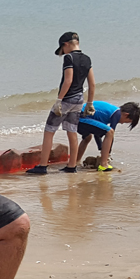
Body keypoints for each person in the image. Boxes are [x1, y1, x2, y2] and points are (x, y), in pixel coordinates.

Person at [27, 32, 95, 175]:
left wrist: (59, 100)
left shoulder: (69, 58)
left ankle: (42, 166)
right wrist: (90, 103)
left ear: (66, 44)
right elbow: (92, 84)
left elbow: (68, 80)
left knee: (49, 131)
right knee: (72, 132)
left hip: (67, 99)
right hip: (79, 100)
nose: (62, 53)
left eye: (62, 49)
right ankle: (71, 166)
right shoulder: (87, 59)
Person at [74, 101, 140, 172]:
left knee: (87, 137)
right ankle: (103, 164)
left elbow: (97, 134)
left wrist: (101, 149)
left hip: (78, 116)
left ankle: (76, 161)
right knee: (110, 132)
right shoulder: (117, 114)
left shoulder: (110, 112)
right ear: (126, 115)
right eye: (125, 121)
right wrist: (107, 153)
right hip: (80, 117)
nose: (121, 123)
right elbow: (111, 135)